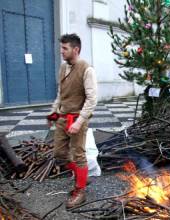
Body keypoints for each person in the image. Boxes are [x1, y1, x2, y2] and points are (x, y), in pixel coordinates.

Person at [47, 33, 97, 209]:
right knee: (59, 154)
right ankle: (82, 176)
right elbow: (61, 94)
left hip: (77, 119)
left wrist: (79, 121)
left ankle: (80, 190)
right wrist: (53, 112)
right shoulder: (63, 68)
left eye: (65, 48)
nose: (61, 51)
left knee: (79, 155)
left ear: (75, 49)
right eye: (61, 47)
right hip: (62, 118)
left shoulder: (87, 69)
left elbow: (92, 100)